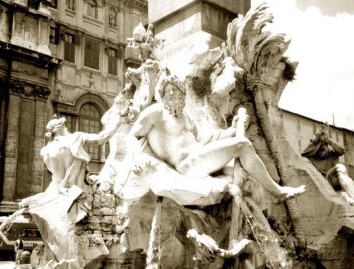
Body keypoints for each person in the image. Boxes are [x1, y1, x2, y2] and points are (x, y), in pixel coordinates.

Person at [128, 73, 305, 200]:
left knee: (250, 180)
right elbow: (133, 136)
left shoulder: (186, 116)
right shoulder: (155, 113)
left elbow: (204, 140)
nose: (172, 93)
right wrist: (141, 164)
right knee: (242, 145)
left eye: (175, 89)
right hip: (187, 165)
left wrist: (233, 129)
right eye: (167, 90)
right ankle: (278, 191)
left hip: (201, 156)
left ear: (182, 93)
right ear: (162, 94)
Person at [20, 111, 128, 224]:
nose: (67, 128)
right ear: (61, 128)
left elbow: (54, 174)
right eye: (65, 126)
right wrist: (118, 122)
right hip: (78, 190)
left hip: (57, 189)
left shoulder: (45, 151)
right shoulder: (75, 138)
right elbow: (101, 138)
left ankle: (29, 204)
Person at [302, 124, 354, 208]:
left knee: (342, 171)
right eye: (319, 147)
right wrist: (317, 138)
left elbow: (342, 150)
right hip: (325, 183)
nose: (322, 149)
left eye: (324, 146)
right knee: (340, 168)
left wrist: (328, 140)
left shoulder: (332, 153)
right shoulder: (312, 156)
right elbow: (305, 153)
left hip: (338, 183)